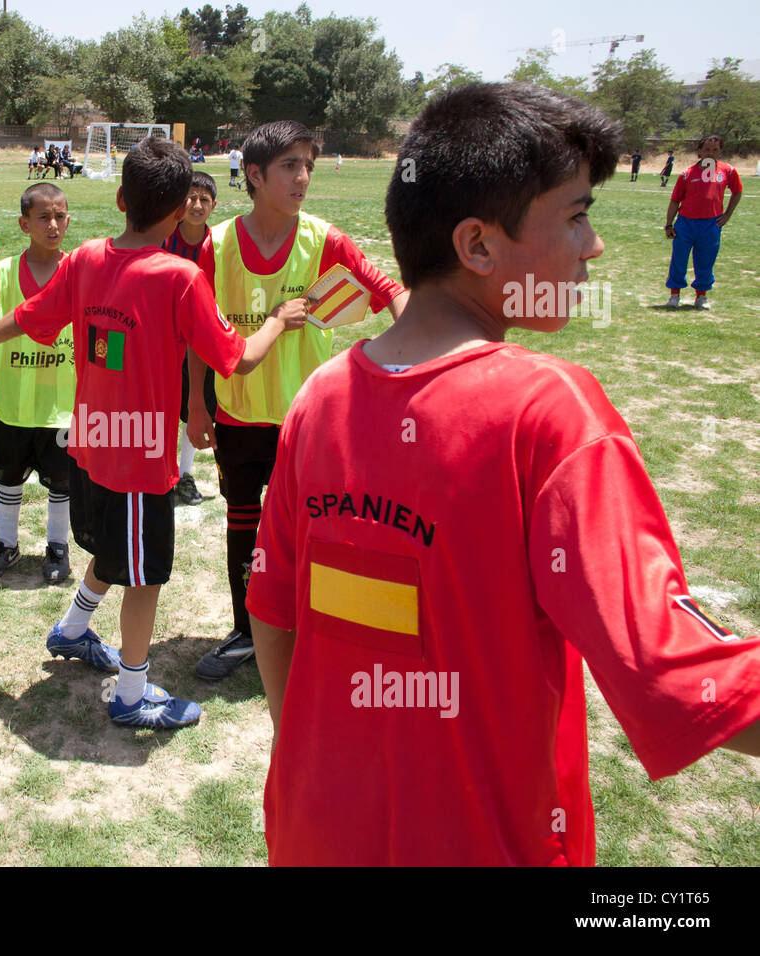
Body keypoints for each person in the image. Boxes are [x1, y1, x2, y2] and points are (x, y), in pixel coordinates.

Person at [245, 83, 760, 866]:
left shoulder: (320, 397)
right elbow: (678, 672)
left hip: (313, 826)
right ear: (479, 246)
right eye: (577, 215)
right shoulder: (547, 411)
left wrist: (321, 766)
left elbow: (274, 613)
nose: (593, 247)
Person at [0, 138, 306, 729]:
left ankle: (71, 631)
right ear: (177, 211)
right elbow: (236, 360)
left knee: (116, 551)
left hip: (89, 449)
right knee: (144, 575)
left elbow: (29, 314)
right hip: (140, 464)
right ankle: (131, 695)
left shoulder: (84, 257)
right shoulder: (181, 277)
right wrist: (276, 321)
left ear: (119, 198)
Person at [188, 120, 407, 682]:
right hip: (238, 417)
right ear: (254, 175)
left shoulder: (324, 240)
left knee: (319, 528)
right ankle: (245, 630)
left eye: (308, 164)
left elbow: (391, 292)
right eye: (290, 165)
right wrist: (196, 403)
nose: (303, 176)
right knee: (243, 524)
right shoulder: (216, 245)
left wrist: (420, 357)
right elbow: (197, 333)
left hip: (311, 423)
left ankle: (318, 626)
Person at [0, 182, 75, 584]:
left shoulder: (78, 269)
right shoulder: (3, 273)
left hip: (63, 405)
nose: (53, 225)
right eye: (43, 217)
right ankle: (8, 543)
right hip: (13, 401)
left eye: (60, 216)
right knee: (8, 476)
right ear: (24, 223)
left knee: (61, 481)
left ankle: (57, 545)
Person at [162, 170, 219, 506]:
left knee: (193, 409)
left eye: (204, 199)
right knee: (165, 406)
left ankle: (184, 473)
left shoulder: (220, 244)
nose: (197, 205)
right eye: (191, 197)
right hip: (166, 339)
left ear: (213, 205)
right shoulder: (164, 238)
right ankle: (164, 471)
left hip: (201, 342)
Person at [663, 134, 742, 310]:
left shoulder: (728, 171)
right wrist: (669, 224)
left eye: (715, 150)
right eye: (707, 149)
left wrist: (728, 213)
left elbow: (737, 191)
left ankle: (701, 297)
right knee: (679, 259)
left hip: (711, 225)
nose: (711, 153)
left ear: (720, 151)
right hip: (685, 224)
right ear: (699, 151)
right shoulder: (687, 174)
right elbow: (675, 200)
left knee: (705, 260)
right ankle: (674, 295)